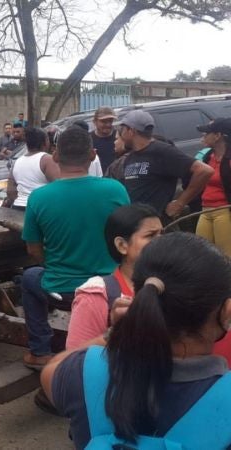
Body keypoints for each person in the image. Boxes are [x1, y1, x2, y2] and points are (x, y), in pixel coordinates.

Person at [42, 233, 231, 450]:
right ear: (226, 312)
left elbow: (51, 369)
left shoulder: (81, 372)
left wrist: (115, 333)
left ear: (141, 295)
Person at [21, 126, 130, 369]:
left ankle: (40, 350)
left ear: (56, 156)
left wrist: (52, 265)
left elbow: (33, 250)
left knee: (29, 278)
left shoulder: (40, 197)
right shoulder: (115, 190)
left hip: (62, 288)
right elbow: (128, 235)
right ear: (93, 155)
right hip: (110, 288)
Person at [65, 204, 162, 350]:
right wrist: (116, 333)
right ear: (122, 245)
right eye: (150, 235)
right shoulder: (96, 296)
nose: (161, 241)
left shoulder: (176, 283)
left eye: (162, 234)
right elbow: (75, 359)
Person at [118, 110, 213, 219]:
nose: (120, 133)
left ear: (131, 130)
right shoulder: (131, 157)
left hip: (158, 223)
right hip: (137, 222)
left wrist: (180, 203)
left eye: (122, 129)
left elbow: (204, 171)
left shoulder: (162, 151)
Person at [194, 118, 231, 256]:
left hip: (224, 211)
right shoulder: (207, 156)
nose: (203, 137)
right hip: (205, 209)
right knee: (201, 254)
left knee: (226, 256)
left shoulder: (229, 159)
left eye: (206, 133)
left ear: (218, 136)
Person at [4, 127, 59, 211]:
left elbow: (10, 191)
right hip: (41, 209)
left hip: (18, 207)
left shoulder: (17, 162)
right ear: (45, 142)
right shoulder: (47, 160)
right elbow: (60, 186)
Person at [91, 107, 118, 173]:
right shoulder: (88, 139)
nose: (108, 124)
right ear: (95, 122)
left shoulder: (119, 137)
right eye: (104, 121)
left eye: (110, 121)